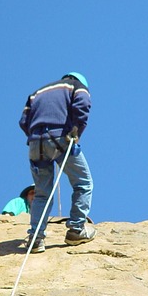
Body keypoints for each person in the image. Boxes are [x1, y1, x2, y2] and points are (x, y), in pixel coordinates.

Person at [19, 72, 95, 253]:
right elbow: (83, 104)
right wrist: (76, 130)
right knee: (83, 183)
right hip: (60, 137)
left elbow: (23, 120)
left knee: (42, 194)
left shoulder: (38, 92)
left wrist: (37, 137)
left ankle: (36, 239)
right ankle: (76, 229)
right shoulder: (77, 87)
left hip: (35, 143)